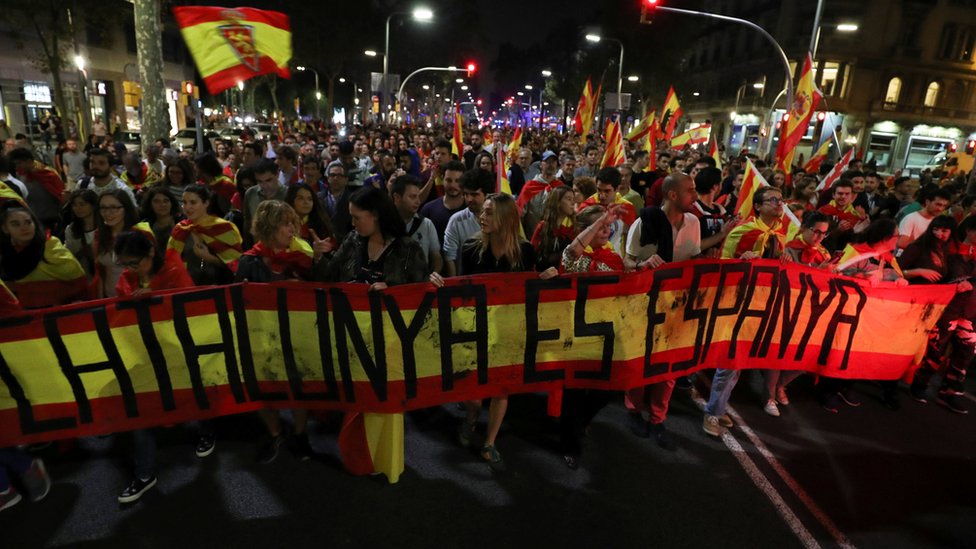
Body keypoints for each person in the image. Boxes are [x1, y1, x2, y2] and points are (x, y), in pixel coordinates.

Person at [430, 193, 555, 471]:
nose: (482, 217)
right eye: (482, 212)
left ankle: (489, 441)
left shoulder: (525, 252)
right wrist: (441, 283)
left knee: (502, 388)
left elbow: (533, 288)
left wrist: (547, 279)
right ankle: (472, 417)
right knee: (473, 395)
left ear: (506, 218)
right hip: (476, 329)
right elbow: (462, 287)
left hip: (509, 330)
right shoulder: (471, 248)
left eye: (488, 213)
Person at [236, 200, 332, 463]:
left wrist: (320, 259)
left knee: (300, 384)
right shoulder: (248, 261)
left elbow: (327, 287)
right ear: (269, 227)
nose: (292, 228)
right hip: (263, 337)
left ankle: (299, 434)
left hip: (298, 335)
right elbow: (239, 303)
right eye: (285, 223)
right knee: (262, 386)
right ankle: (275, 431)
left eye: (293, 222)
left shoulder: (302, 255)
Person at [112, 230, 194, 503]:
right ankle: (145, 474)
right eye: (126, 264)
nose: (131, 269)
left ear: (150, 253)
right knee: (142, 411)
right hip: (144, 353)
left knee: (193, 397)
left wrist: (154, 295)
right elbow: (121, 309)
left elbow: (190, 307)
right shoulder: (129, 278)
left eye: (135, 263)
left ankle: (207, 432)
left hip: (178, 352)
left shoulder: (173, 270)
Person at [704, 186, 787, 436]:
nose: (779, 204)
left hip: (761, 305)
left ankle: (718, 408)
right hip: (737, 303)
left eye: (781, 199)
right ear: (758, 206)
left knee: (738, 363)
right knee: (730, 361)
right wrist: (741, 262)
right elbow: (723, 265)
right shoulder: (742, 232)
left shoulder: (779, 236)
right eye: (773, 200)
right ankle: (712, 413)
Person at [910, 215, 976, 413]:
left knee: (965, 352)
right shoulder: (949, 250)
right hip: (947, 308)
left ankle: (949, 392)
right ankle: (919, 385)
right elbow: (938, 277)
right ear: (969, 231)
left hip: (972, 311)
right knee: (936, 347)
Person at [0, 206, 87, 308]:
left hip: (56, 311)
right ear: (5, 228)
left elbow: (77, 281)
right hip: (20, 312)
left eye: (28, 222)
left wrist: (16, 287)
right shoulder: (6, 251)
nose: (24, 228)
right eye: (15, 224)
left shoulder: (50, 246)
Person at [168, 184, 242, 286]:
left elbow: (237, 266)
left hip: (219, 288)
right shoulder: (180, 229)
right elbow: (170, 263)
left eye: (193, 202)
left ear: (206, 203)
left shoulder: (223, 228)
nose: (187, 207)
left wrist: (208, 258)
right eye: (184, 202)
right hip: (187, 289)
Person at [94, 189, 152, 298]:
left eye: (114, 208)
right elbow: (100, 272)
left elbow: (155, 269)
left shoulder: (141, 233)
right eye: (103, 208)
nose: (108, 213)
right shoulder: (99, 235)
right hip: (110, 299)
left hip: (137, 297)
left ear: (126, 208)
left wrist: (150, 289)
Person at [443, 169, 493, 276]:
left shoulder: (500, 219)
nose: (469, 199)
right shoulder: (456, 221)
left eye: (474, 194)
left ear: (487, 194)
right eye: (466, 194)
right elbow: (449, 256)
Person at [391, 175, 442, 273]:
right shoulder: (384, 223)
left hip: (421, 283)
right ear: (397, 197)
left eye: (418, 196)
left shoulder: (426, 224)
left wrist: (433, 275)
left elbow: (437, 258)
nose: (418, 201)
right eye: (412, 197)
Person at [419, 159, 465, 245]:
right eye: (449, 180)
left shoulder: (471, 210)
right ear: (442, 179)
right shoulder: (428, 209)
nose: (453, 185)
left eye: (458, 181)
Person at [530, 186, 577, 271]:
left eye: (573, 199)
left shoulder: (575, 227)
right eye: (569, 199)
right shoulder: (543, 227)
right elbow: (533, 253)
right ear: (557, 202)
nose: (573, 203)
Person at [62, 188, 99, 278]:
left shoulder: (104, 226)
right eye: (74, 205)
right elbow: (70, 254)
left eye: (82, 204)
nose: (78, 208)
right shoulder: (71, 229)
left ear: (93, 206)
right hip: (83, 273)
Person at [285, 182, 333, 248]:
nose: (306, 202)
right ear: (291, 201)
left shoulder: (321, 225)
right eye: (300, 198)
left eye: (310, 199)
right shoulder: (282, 223)